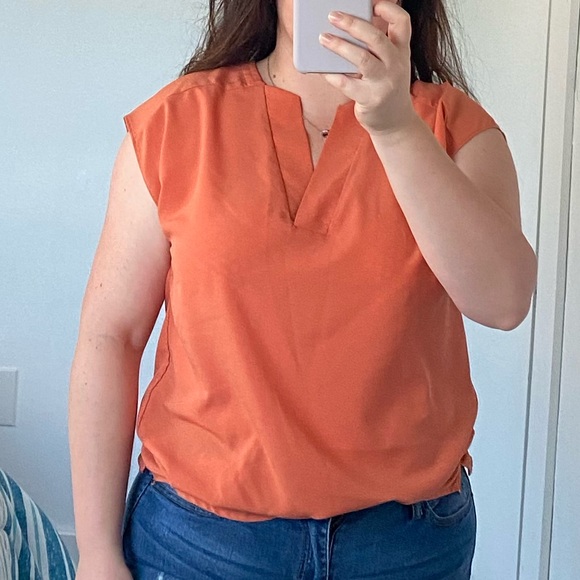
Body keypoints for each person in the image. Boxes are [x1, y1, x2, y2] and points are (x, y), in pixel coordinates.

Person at [68, 0, 538, 578]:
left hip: (405, 545)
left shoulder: (456, 128)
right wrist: (96, 551)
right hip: (200, 540)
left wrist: (395, 127)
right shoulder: (177, 122)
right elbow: (110, 337)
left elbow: (503, 301)